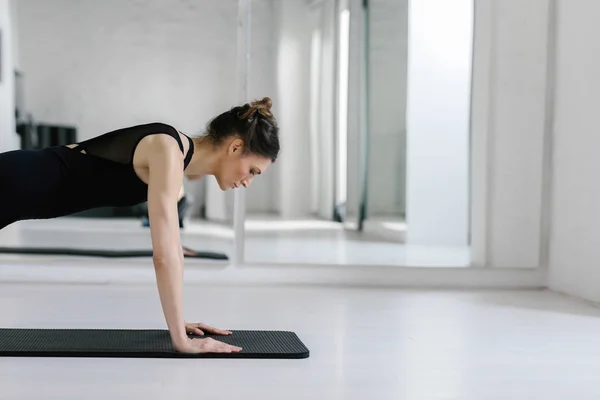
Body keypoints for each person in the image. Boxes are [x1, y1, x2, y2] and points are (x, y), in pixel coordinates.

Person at [0, 97, 280, 354]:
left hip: (15, 192)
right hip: (12, 181)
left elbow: (172, 251)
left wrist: (178, 320)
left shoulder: (175, 156)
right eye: (253, 171)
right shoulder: (167, 150)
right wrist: (182, 343)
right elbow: (164, 256)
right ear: (235, 147)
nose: (247, 182)